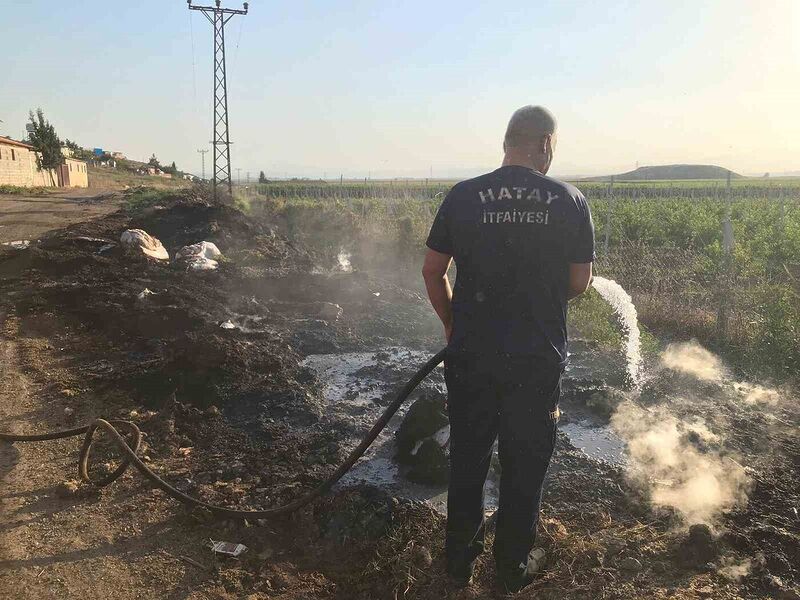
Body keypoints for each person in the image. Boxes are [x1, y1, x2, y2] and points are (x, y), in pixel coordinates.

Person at [422, 105, 595, 593]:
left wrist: (454, 325)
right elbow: (579, 282)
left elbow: (432, 271)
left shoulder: (463, 196)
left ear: (506, 142)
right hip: (535, 358)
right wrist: (533, 299)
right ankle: (511, 569)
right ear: (543, 143)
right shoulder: (569, 200)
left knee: (469, 459)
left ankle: (458, 563)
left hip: (471, 356)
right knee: (524, 464)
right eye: (552, 146)